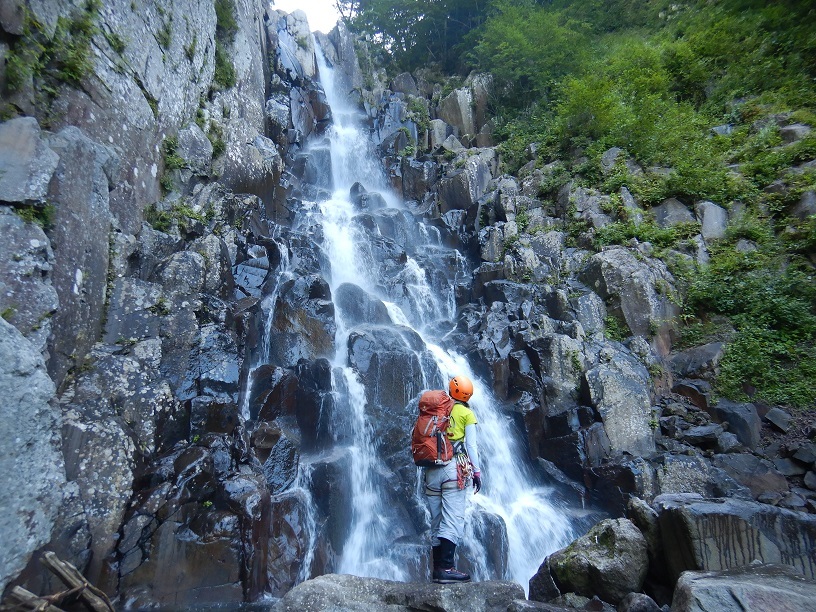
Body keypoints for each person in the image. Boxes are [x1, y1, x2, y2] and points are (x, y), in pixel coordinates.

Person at [424, 374, 483, 584]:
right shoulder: (466, 413)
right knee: (453, 518)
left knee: (437, 519)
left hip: (431, 470)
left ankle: (436, 569)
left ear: (451, 391)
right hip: (454, 469)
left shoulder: (435, 409)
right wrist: (476, 472)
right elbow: (472, 447)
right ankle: (446, 568)